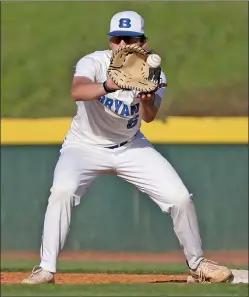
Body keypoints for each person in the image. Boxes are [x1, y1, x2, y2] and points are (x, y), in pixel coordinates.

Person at [21, 10, 232, 284]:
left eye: (128, 39)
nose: (121, 45)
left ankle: (198, 264)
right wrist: (111, 84)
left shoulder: (153, 72)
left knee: (179, 198)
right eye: (117, 39)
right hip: (83, 146)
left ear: (142, 43)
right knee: (62, 191)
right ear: (110, 42)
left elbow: (150, 115)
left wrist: (146, 98)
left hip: (131, 147)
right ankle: (46, 269)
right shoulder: (94, 62)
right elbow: (78, 91)